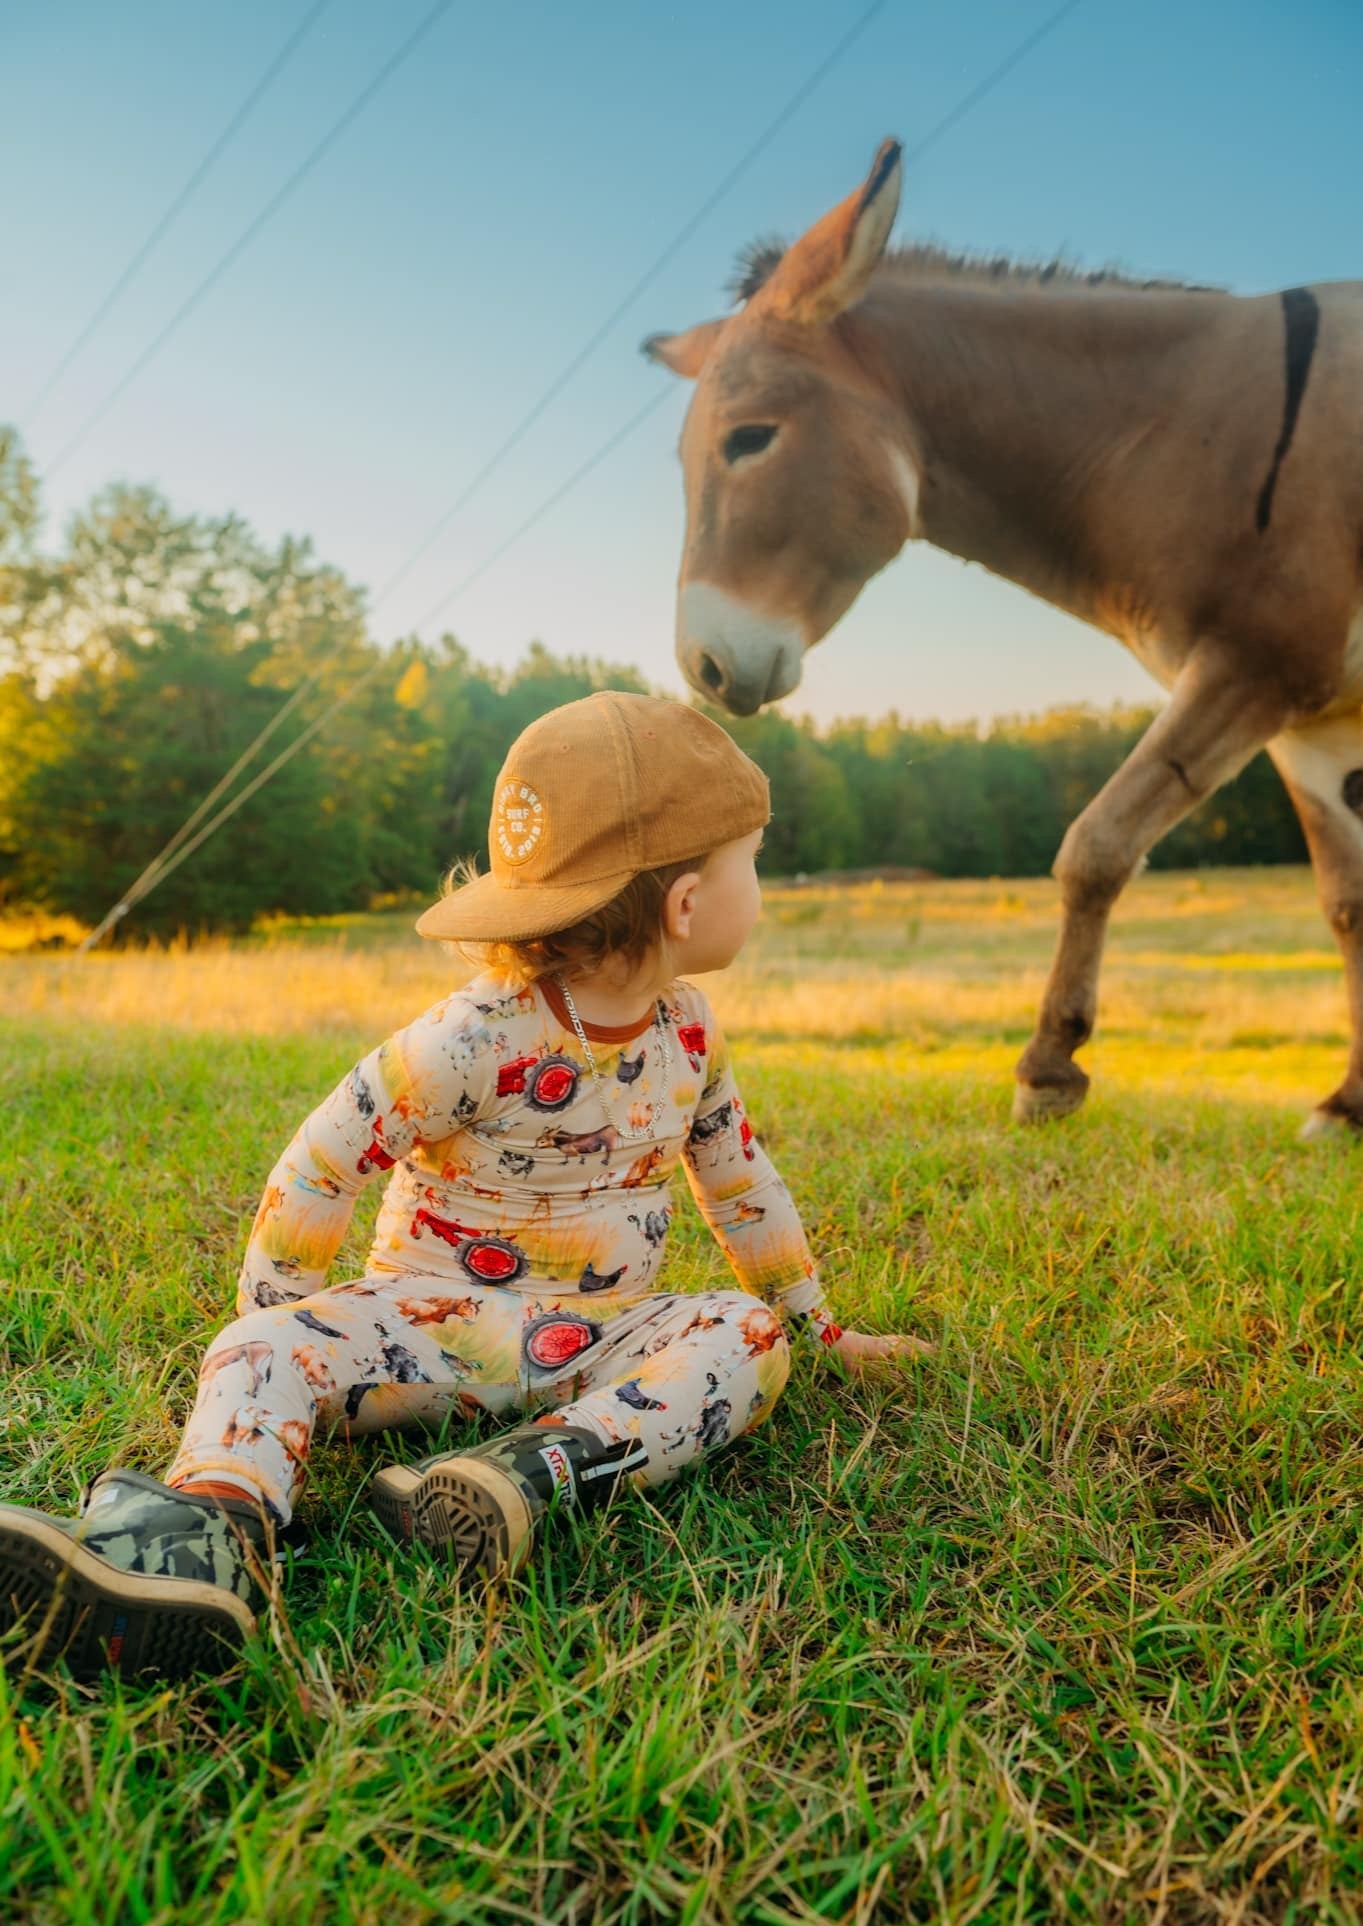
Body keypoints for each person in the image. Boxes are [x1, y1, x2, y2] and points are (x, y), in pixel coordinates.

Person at [0, 694, 924, 1682]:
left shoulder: (688, 1031)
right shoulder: (471, 1037)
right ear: (685, 903)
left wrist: (814, 1325)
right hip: (415, 1334)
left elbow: (739, 1179)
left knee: (741, 1335)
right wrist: (290, 1325)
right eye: (755, 861)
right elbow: (322, 1160)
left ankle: (518, 1477)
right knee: (253, 1346)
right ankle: (210, 1532)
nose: (763, 888)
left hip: (591, 1344)